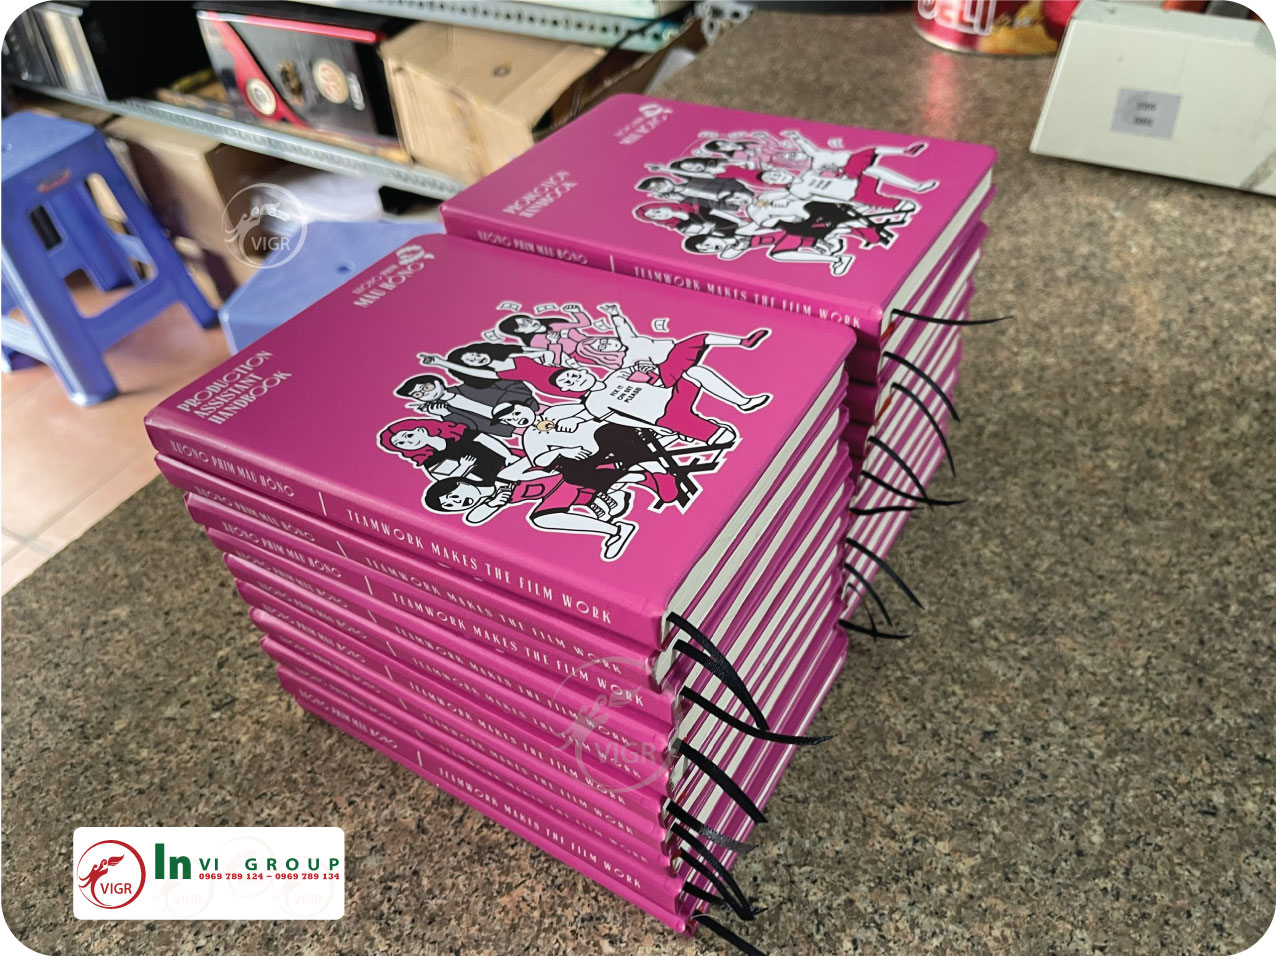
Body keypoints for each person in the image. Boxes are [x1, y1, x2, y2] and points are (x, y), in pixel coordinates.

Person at [393, 372, 537, 440]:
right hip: (517, 431)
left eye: (426, 387)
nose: (425, 393)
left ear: (438, 382)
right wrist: (446, 415)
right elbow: (471, 427)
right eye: (418, 394)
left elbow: (510, 383)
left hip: (533, 409)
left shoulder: (469, 386)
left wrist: (520, 402)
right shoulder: (445, 410)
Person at [377, 417, 513, 485]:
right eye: (400, 444)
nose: (408, 442)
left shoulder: (458, 434)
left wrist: (508, 456)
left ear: (420, 430)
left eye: (408, 436)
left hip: (509, 462)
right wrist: (463, 467)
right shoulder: (430, 461)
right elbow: (448, 483)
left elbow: (485, 440)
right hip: (493, 481)